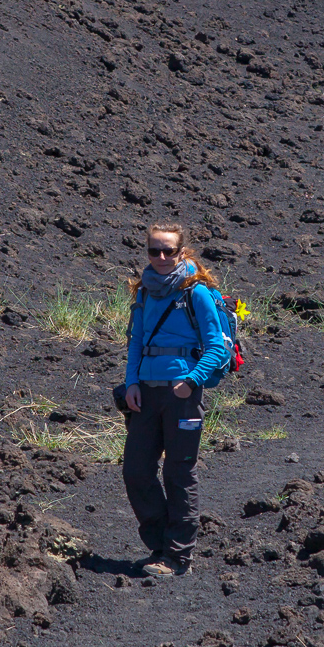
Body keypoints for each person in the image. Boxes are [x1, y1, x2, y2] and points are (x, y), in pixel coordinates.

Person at [121, 222, 230, 577]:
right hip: (146, 393)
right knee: (136, 470)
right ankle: (159, 545)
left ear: (182, 253)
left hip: (182, 394)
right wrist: (131, 383)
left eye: (168, 251)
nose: (161, 257)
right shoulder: (145, 291)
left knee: (179, 472)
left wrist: (191, 381)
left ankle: (178, 556)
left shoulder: (195, 292)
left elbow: (216, 347)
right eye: (154, 250)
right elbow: (136, 342)